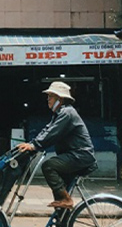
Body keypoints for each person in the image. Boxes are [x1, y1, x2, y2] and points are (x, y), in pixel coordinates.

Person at [18, 81, 96, 210]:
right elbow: (47, 130)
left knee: (49, 166)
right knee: (58, 194)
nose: (48, 99)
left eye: (50, 96)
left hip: (80, 156)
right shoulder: (60, 113)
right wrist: (32, 144)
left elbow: (52, 133)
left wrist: (35, 146)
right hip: (74, 156)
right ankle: (63, 225)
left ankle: (66, 199)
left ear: (59, 99)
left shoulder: (67, 113)